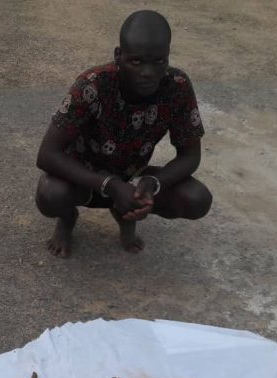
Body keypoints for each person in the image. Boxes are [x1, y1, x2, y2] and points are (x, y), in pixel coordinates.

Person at [35, 10, 212, 258]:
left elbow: (190, 156)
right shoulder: (92, 85)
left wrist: (151, 184)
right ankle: (67, 219)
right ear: (118, 55)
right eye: (136, 62)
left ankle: (126, 213)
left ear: (167, 56)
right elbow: (47, 155)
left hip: (133, 175)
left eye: (159, 61)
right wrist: (110, 185)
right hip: (84, 176)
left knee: (197, 199)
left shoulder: (177, 86)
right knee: (50, 194)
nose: (148, 72)